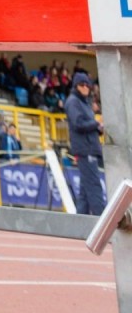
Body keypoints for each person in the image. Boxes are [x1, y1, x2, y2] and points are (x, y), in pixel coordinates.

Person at [65, 71, 106, 215]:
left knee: (84, 192)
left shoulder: (84, 103)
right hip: (85, 150)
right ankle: (102, 221)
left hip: (90, 148)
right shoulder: (73, 102)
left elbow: (87, 124)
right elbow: (78, 123)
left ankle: (80, 223)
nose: (86, 88)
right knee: (94, 187)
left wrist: (99, 128)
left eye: (87, 85)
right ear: (76, 86)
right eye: (82, 85)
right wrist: (96, 124)